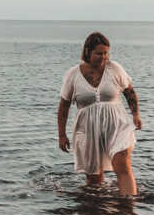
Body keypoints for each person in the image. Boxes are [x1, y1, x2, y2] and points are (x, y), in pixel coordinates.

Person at [57, 32, 142, 196]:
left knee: (123, 166)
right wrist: (62, 135)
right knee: (94, 179)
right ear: (87, 51)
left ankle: (129, 208)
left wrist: (136, 115)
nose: (103, 57)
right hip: (88, 128)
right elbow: (64, 107)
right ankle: (96, 214)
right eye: (99, 53)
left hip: (117, 125)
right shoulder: (73, 74)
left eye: (106, 53)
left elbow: (129, 92)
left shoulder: (114, 68)